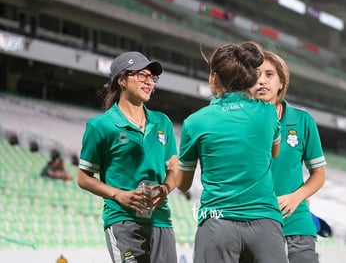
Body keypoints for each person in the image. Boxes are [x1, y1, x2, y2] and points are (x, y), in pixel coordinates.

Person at [175, 41, 288, 263]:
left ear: (214, 78)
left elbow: (183, 184)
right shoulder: (268, 113)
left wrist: (171, 166)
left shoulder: (195, 122)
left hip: (218, 224)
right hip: (265, 224)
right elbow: (274, 151)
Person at [77, 51, 178, 263]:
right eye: (142, 75)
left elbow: (175, 169)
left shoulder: (163, 122)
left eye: (152, 77)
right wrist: (118, 195)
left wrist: (166, 188)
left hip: (161, 220)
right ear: (122, 80)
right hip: (122, 219)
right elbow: (83, 178)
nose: (149, 81)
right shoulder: (100, 126)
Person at [249, 50, 326, 263]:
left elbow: (318, 174)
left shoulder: (303, 121)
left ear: (281, 82)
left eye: (269, 74)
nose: (262, 81)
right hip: (253, 220)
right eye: (256, 75)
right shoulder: (241, 121)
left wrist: (297, 197)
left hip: (296, 219)